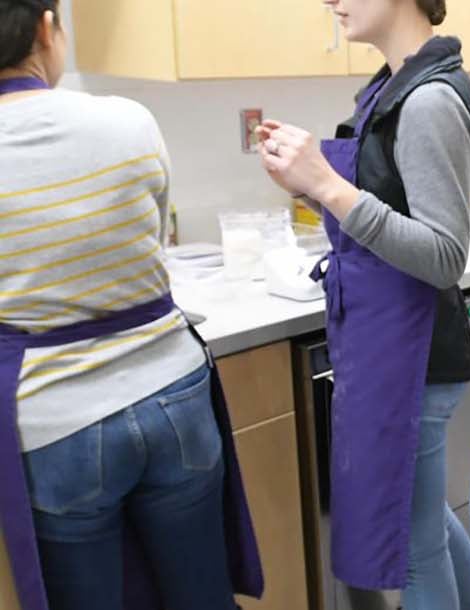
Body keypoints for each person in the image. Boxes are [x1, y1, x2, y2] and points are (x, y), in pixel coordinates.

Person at [0, 1, 262, 609]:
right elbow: (154, 229)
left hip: (56, 419)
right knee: (200, 594)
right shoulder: (128, 120)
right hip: (172, 394)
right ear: (46, 26)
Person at [255, 0, 470, 608]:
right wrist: (308, 181)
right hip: (390, 345)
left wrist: (326, 184)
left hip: (412, 359)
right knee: (425, 523)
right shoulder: (393, 88)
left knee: (412, 551)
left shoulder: (429, 101)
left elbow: (443, 254)